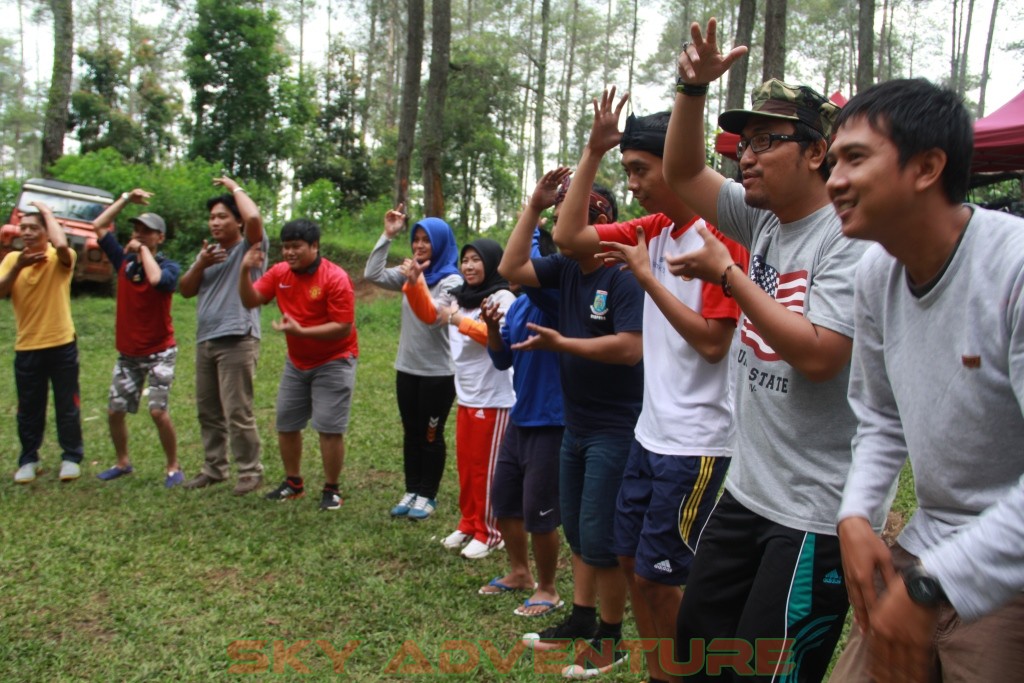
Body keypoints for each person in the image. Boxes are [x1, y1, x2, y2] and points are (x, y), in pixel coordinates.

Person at [662, 19, 874, 680]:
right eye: (743, 142)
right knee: (696, 650)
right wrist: (691, 90)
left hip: (811, 516)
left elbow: (818, 354)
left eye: (766, 141)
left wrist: (729, 277)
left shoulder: (846, 240)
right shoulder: (762, 219)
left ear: (818, 152)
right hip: (747, 492)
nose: (745, 156)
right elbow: (683, 170)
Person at [824, 79, 1024, 683]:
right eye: (833, 161)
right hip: (928, 540)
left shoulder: (1012, 269)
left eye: (855, 158)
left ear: (927, 167)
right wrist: (856, 515)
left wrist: (934, 585)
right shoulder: (876, 275)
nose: (833, 180)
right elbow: (880, 417)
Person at [553, 91, 745, 683]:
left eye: (641, 169)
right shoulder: (654, 228)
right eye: (627, 169)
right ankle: (666, 673)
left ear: (678, 165)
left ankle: (701, 672)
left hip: (699, 441)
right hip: (650, 433)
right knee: (633, 564)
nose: (632, 184)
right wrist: (593, 152)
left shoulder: (718, 235)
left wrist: (644, 277)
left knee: (665, 578)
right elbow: (569, 237)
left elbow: (713, 342)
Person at [500, 168, 644, 677]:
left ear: (597, 222)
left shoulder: (623, 277)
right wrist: (533, 205)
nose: (557, 229)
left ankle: (610, 638)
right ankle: (582, 619)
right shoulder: (566, 271)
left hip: (615, 427)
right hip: (576, 424)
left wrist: (563, 343)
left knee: (601, 538)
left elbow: (630, 349)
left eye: (565, 218)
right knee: (582, 533)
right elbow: (511, 265)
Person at [404, 238, 515, 558]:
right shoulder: (460, 297)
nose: (468, 266)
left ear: (492, 263)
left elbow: (498, 339)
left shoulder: (502, 296)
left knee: (487, 469)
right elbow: (430, 314)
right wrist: (415, 285)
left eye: (476, 260)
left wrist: (460, 321)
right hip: (467, 396)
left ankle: (491, 532)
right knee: (467, 466)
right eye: (465, 260)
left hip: (495, 399)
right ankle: (469, 523)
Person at [238, 219, 358, 511]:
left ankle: (332, 489)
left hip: (335, 359)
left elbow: (343, 326)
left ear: (314, 247)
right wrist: (243, 270)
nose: (289, 253)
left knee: (329, 428)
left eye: (296, 247)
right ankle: (293, 483)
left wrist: (301, 332)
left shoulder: (335, 278)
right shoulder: (280, 273)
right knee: (286, 423)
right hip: (297, 362)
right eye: (285, 247)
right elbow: (251, 299)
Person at [477, 224, 564, 612]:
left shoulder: (553, 299)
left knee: (540, 513)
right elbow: (501, 360)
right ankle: (519, 572)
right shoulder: (520, 305)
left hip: (552, 421)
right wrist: (493, 329)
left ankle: (547, 587)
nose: (507, 272)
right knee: (506, 500)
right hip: (521, 417)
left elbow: (529, 263)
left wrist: (532, 219)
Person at [364, 207, 462, 520]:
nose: (419, 246)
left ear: (441, 244)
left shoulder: (452, 280)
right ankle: (411, 489)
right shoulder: (411, 272)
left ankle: (428, 494)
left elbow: (434, 317)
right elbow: (373, 274)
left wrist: (416, 282)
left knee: (431, 434)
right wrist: (388, 235)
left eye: (426, 241)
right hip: (407, 368)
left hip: (438, 373)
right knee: (411, 432)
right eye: (415, 240)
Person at [179, 176, 268, 495]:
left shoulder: (251, 246)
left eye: (222, 216)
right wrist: (200, 263)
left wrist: (234, 187)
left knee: (236, 409)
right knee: (208, 409)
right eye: (212, 217)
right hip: (207, 339)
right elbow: (185, 290)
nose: (214, 222)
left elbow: (255, 218)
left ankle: (250, 470)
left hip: (238, 338)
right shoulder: (210, 252)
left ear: (238, 222)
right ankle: (214, 468)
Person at [92, 188, 183, 487]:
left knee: (157, 412)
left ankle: (173, 466)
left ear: (161, 238)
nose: (140, 234)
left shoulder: (169, 267)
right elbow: (98, 226)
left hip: (160, 351)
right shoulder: (123, 262)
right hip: (128, 353)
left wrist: (141, 250)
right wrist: (125, 198)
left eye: (148, 232)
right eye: (137, 229)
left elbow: (157, 280)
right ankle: (123, 463)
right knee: (114, 411)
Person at [0, 202, 84, 484]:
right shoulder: (12, 259)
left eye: (34, 228)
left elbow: (61, 246)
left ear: (47, 232)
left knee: (67, 405)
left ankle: (71, 457)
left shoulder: (61, 257)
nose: (27, 232)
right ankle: (29, 459)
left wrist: (47, 212)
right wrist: (19, 267)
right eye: (23, 227)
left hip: (61, 344)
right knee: (28, 408)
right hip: (27, 347)